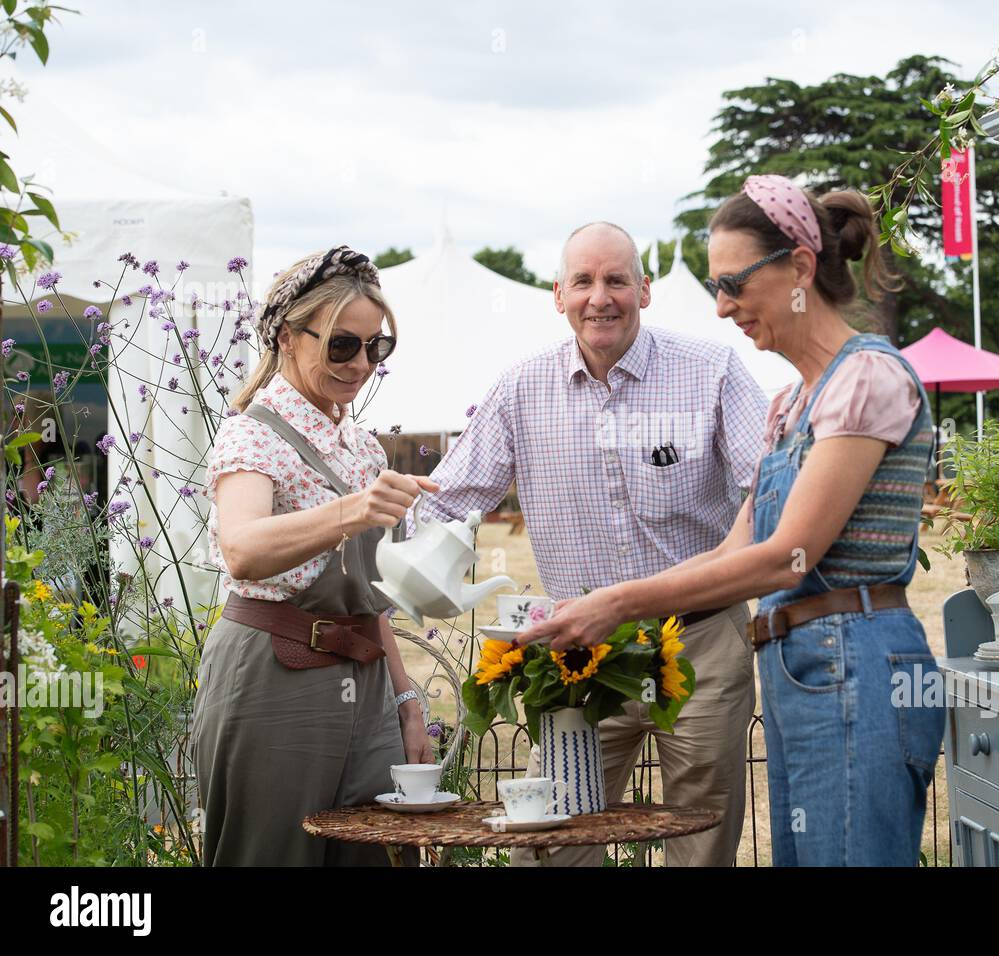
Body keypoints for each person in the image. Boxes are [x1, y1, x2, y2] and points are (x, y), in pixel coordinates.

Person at [519, 177, 945, 867]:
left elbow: (788, 556)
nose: (721, 308)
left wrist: (621, 602)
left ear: (800, 267)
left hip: (859, 662)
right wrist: (603, 607)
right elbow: (731, 551)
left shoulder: (866, 379)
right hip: (802, 669)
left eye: (734, 284)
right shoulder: (790, 405)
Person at [414, 221, 768, 866]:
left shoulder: (711, 370)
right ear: (558, 295)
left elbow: (766, 489)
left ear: (645, 290)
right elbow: (451, 498)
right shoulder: (523, 388)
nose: (599, 297)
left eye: (616, 280)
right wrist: (395, 541)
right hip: (582, 652)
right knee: (552, 843)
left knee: (701, 836)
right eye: (583, 281)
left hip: (699, 640)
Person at [192, 246, 439, 866]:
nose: (361, 364)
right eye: (340, 346)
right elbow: (242, 550)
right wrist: (353, 509)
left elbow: (371, 598)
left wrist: (405, 703)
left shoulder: (362, 448)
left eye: (375, 348)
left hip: (366, 681)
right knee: (272, 855)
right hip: (273, 676)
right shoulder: (252, 432)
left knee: (382, 852)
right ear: (286, 336)